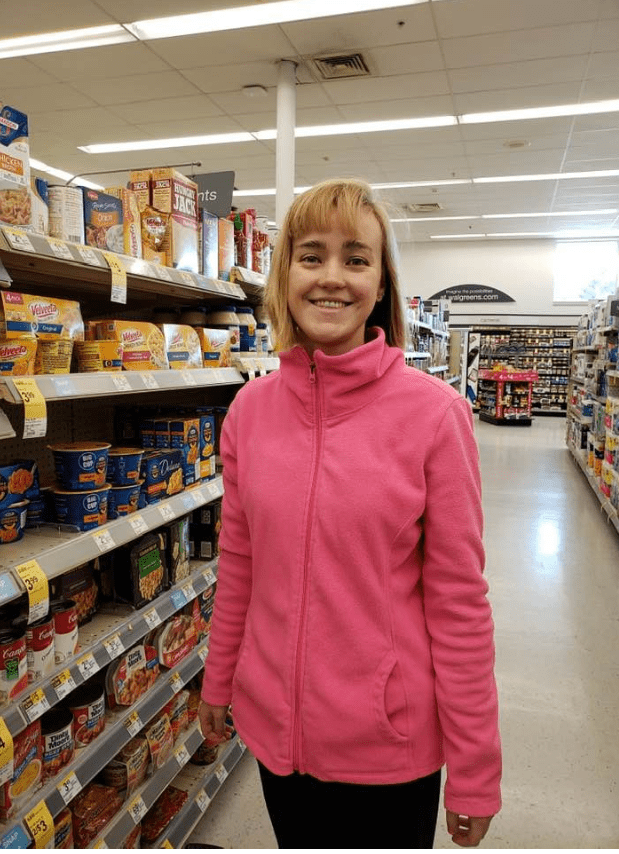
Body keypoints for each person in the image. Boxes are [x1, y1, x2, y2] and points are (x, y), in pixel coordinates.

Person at [199, 178, 502, 849]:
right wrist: (219, 681)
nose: (330, 278)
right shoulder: (251, 412)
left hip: (388, 747)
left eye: (355, 258)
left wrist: (476, 770)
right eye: (310, 256)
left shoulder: (433, 416)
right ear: (284, 276)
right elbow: (241, 568)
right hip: (277, 737)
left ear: (381, 283)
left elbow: (458, 604)